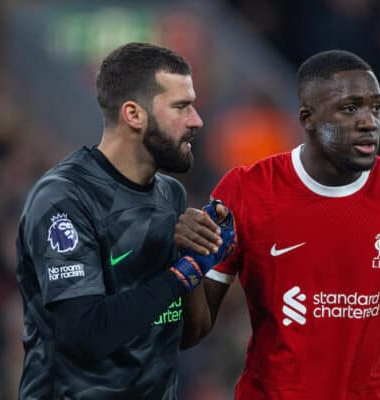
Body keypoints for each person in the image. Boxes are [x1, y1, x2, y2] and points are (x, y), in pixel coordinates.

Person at [180, 50, 380, 399]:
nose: (369, 121)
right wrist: (187, 263)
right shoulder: (245, 190)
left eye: (376, 107)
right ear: (308, 117)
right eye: (350, 108)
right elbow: (193, 332)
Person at [15, 42, 235, 399]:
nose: (197, 120)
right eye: (181, 107)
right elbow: (85, 334)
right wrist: (180, 276)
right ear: (134, 115)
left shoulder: (171, 196)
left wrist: (200, 256)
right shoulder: (65, 199)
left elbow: (184, 335)